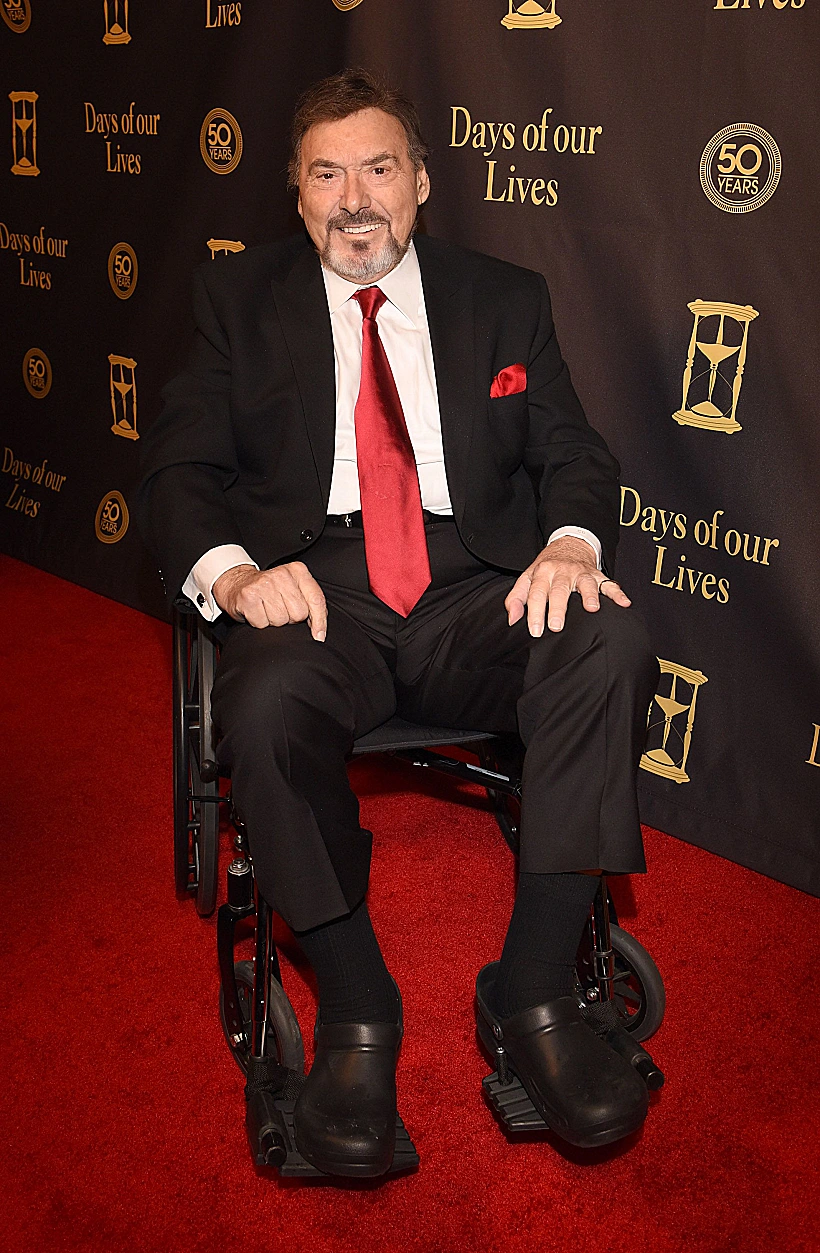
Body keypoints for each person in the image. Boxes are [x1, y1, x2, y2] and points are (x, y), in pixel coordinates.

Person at [139, 69, 659, 1178]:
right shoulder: (238, 301)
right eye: (326, 174)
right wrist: (234, 576)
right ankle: (358, 1005)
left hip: (474, 584)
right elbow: (180, 468)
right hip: (315, 584)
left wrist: (571, 542)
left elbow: (572, 450)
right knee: (267, 695)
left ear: (421, 182)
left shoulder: (504, 296)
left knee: (604, 634)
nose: (354, 196)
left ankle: (530, 992)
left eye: (378, 168)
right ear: (296, 196)